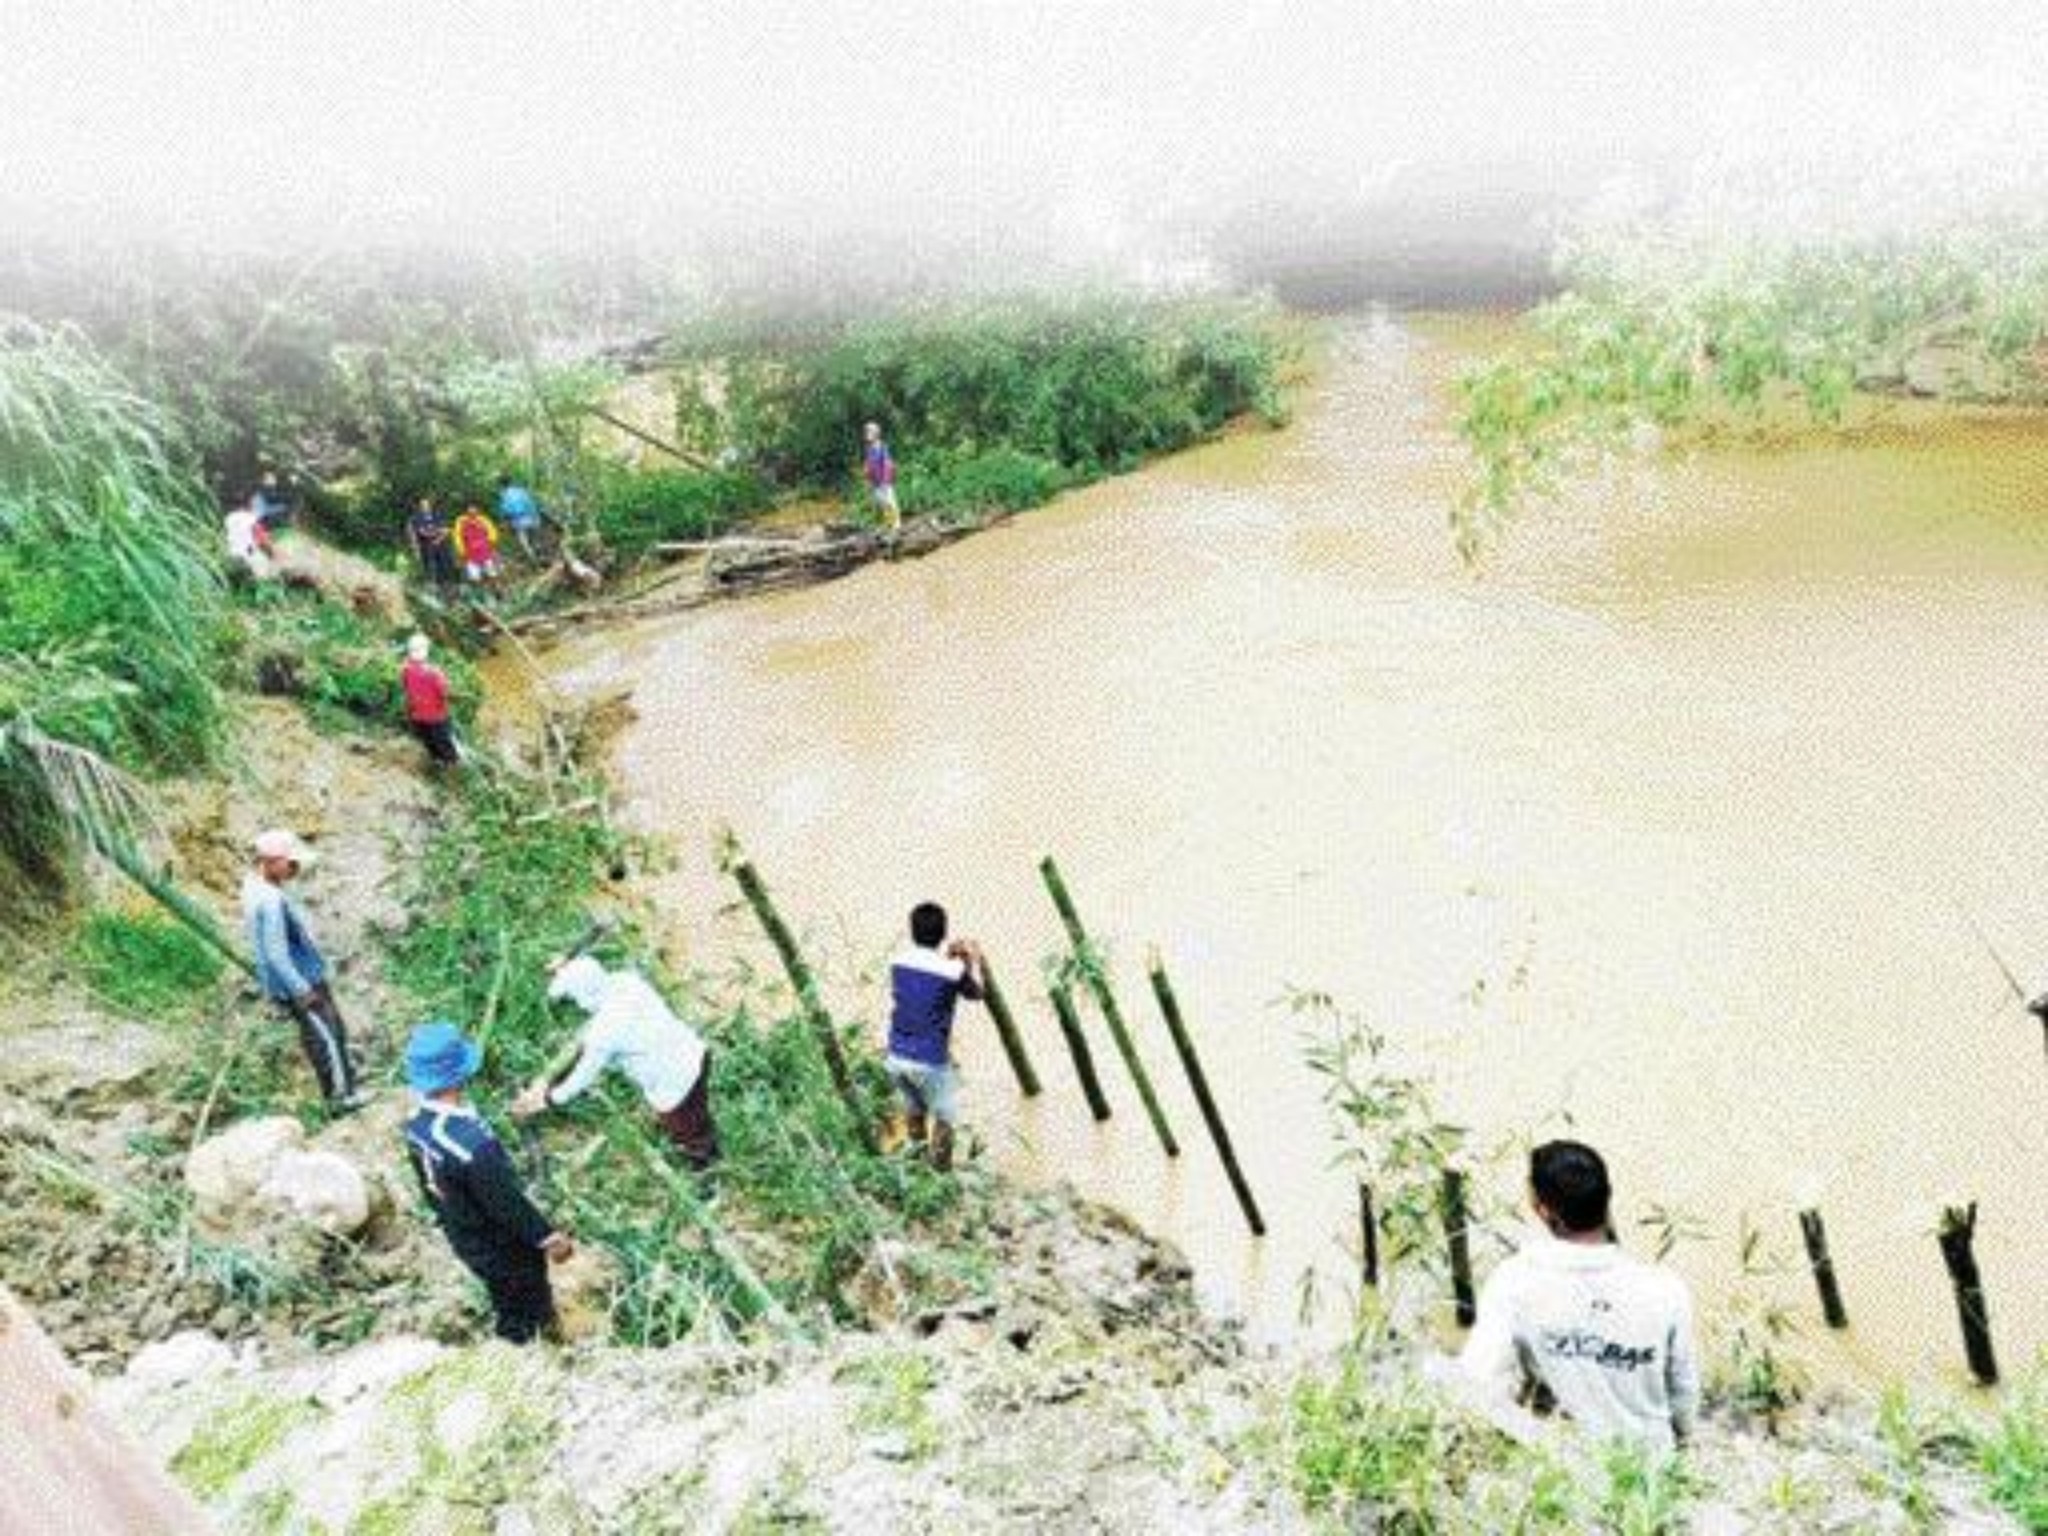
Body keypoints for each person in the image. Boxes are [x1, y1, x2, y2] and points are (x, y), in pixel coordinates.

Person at [1458, 1140, 1701, 1453]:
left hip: (1566, 1471)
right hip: (1652, 1475)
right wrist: (1682, 1445)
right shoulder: (1666, 1289)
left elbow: (1480, 1384)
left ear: (1542, 1210)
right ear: (1607, 1198)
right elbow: (1683, 1397)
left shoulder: (1515, 1281)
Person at [402, 1021, 574, 1343]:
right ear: (460, 1073)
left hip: (466, 1236)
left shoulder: (418, 1126)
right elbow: (506, 1204)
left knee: (505, 1296)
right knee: (525, 1306)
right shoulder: (471, 1147)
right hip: (502, 1247)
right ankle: (523, 1351)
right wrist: (548, 1238)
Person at [514, 956, 719, 1174]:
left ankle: (706, 1169)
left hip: (676, 1079)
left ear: (584, 998)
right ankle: (695, 1130)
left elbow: (582, 1076)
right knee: (693, 1109)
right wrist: (545, 1081)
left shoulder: (606, 1030)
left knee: (687, 1127)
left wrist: (548, 1099)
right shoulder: (625, 981)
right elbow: (586, 1040)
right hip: (691, 1050)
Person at [241, 828, 361, 1108]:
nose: (295, 868)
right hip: (300, 980)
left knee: (322, 1033)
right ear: (269, 862)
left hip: (298, 976)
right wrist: (301, 989)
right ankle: (342, 1098)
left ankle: (340, 1089)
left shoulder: (253, 887)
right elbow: (275, 953)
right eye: (290, 863)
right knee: (328, 1035)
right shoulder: (269, 900)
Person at [883, 902, 985, 1171]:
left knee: (915, 1111)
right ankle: (940, 1175)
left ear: (912, 931)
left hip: (895, 1056)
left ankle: (916, 1169)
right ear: (943, 934)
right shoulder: (952, 971)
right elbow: (977, 993)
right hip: (929, 1061)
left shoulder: (897, 962)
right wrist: (973, 960)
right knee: (946, 1116)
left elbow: (924, 986)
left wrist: (950, 959)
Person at [400, 633, 459, 769]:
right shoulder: (434, 673)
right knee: (444, 741)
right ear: (426, 651)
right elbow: (444, 693)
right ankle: (452, 762)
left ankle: (437, 760)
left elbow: (406, 688)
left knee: (428, 740)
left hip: (417, 715)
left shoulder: (405, 669)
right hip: (437, 717)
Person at [407, 495, 456, 587]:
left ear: (430, 505)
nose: (425, 506)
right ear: (419, 506)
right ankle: (433, 585)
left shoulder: (437, 515)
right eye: (422, 505)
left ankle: (448, 584)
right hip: (426, 545)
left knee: (445, 564)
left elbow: (447, 530)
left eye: (426, 504)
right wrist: (437, 531)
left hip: (441, 544)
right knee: (430, 566)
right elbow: (422, 532)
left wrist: (438, 538)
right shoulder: (416, 518)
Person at [862, 420, 901, 534]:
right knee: (880, 504)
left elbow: (888, 464)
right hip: (875, 482)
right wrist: (867, 477)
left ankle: (896, 526)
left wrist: (886, 480)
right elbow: (868, 465)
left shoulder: (882, 447)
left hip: (884, 482)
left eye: (869, 431)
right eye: (866, 431)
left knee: (890, 502)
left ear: (875, 433)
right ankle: (886, 524)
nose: (866, 434)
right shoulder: (869, 448)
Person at [223, 499, 274, 580]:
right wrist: (273, 554)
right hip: (248, 557)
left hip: (231, 556)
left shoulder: (228, 518)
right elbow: (262, 540)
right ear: (249, 506)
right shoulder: (250, 518)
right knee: (268, 570)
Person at [452, 505, 501, 584]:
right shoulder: (461, 522)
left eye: (474, 509)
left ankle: (495, 588)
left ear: (478, 510)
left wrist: (492, 544)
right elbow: (458, 537)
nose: (472, 511)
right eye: (470, 509)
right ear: (466, 511)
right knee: (474, 576)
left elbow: (492, 532)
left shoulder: (483, 520)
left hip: (485, 550)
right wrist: (461, 550)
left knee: (492, 572)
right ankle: (480, 589)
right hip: (470, 552)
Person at [497, 476, 543, 561]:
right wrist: (536, 517)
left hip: (518, 520)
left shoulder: (504, 495)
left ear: (501, 485)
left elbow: (505, 510)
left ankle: (533, 559)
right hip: (530, 517)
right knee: (534, 538)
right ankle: (540, 553)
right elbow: (530, 503)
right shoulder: (521, 491)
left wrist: (503, 522)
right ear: (511, 482)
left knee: (524, 542)